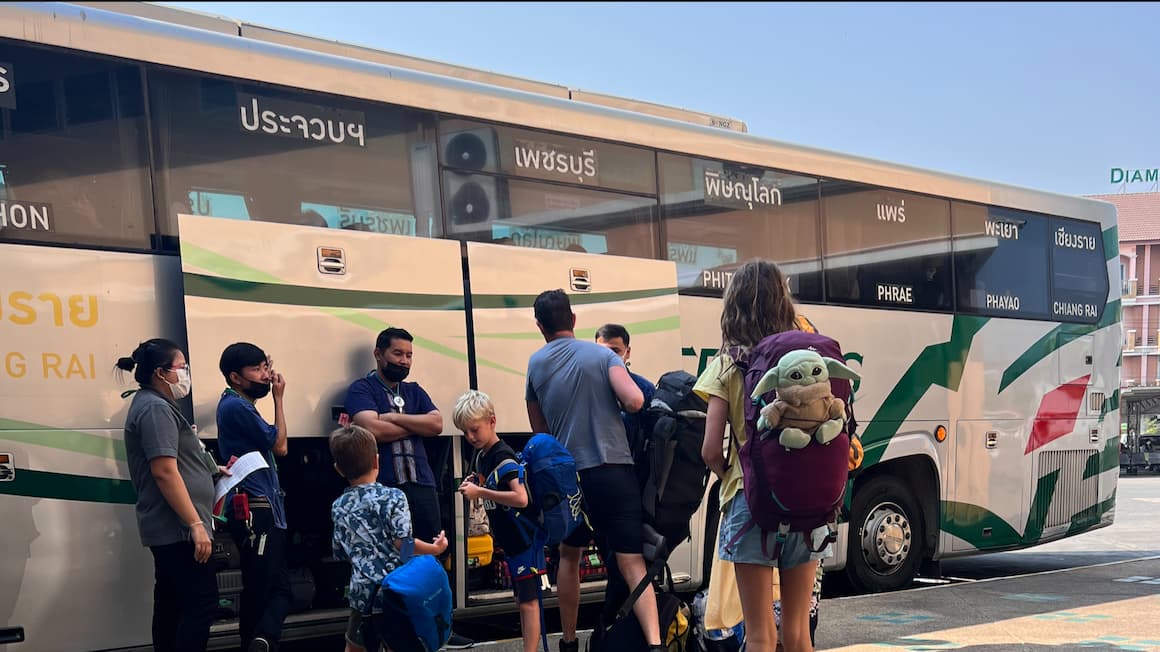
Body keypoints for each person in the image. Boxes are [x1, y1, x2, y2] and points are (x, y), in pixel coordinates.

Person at [695, 259, 827, 652]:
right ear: (783, 301)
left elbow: (709, 449)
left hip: (748, 501)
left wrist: (734, 474)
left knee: (758, 635)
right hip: (805, 503)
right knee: (799, 633)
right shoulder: (803, 360)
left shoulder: (728, 363)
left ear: (733, 306)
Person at [524, 289, 662, 652]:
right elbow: (634, 400)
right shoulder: (602, 355)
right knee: (631, 561)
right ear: (572, 320)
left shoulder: (535, 365)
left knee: (570, 557)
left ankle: (569, 642)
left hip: (570, 480)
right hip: (614, 471)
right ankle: (655, 643)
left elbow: (541, 433)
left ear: (540, 326)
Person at [343, 327, 473, 649]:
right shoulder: (361, 389)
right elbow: (370, 430)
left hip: (421, 483)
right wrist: (412, 424)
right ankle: (398, 631)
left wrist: (392, 419)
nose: (404, 361)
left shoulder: (414, 390)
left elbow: (437, 424)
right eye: (398, 354)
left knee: (432, 556)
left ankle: (440, 626)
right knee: (395, 558)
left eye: (409, 355)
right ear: (379, 354)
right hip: (387, 488)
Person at [117, 338, 227, 652]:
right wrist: (195, 524)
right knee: (200, 604)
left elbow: (176, 460)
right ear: (160, 373)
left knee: (171, 603)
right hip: (178, 528)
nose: (185, 374)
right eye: (181, 367)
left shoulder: (157, 405)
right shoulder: (154, 408)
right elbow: (164, 470)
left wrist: (210, 467)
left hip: (171, 527)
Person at [329, 424, 449, 652]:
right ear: (377, 461)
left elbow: (341, 552)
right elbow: (403, 545)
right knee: (399, 643)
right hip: (397, 591)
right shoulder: (394, 497)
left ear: (339, 470)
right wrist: (435, 549)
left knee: (355, 645)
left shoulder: (338, 506)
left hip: (363, 594)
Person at [216, 342, 292, 652]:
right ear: (235, 377)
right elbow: (280, 445)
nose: (265, 375)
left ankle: (255, 641)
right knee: (277, 588)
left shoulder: (239, 404)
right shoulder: (237, 406)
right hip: (257, 506)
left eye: (265, 367)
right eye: (257, 370)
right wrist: (278, 399)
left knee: (259, 585)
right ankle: (263, 639)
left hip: (258, 505)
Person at [454, 390, 542, 652]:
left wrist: (480, 492)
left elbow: (521, 497)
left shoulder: (502, 455)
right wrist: (476, 481)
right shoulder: (483, 455)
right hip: (511, 540)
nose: (470, 437)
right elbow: (490, 482)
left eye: (474, 430)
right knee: (521, 600)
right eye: (465, 432)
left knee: (528, 601)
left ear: (492, 421)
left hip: (524, 539)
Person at [593, 323, 657, 624]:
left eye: (616, 352)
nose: (610, 359)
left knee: (625, 565)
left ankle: (612, 629)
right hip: (602, 487)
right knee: (615, 564)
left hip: (633, 490)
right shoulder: (589, 389)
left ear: (628, 352)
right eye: (603, 352)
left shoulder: (642, 390)